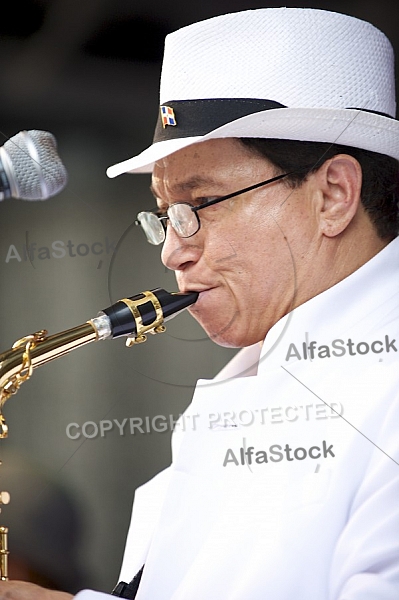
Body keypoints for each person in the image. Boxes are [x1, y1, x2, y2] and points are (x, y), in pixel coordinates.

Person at [2, 6, 399, 599]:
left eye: (201, 203)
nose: (171, 253)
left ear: (334, 195)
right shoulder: (255, 381)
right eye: (164, 216)